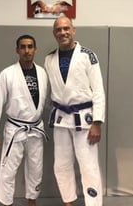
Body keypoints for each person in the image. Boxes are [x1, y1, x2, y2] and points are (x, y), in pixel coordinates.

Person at [45, 17, 105, 206]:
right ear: (54, 33)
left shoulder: (88, 56)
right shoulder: (49, 58)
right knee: (61, 164)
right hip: (61, 119)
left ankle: (93, 204)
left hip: (84, 119)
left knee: (88, 166)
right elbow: (52, 91)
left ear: (73, 30)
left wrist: (97, 122)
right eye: (58, 29)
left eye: (66, 28)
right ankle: (68, 202)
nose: (63, 32)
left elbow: (98, 90)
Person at [0, 35, 49, 206]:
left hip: (36, 128)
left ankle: (32, 201)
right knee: (8, 169)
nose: (27, 51)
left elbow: (44, 101)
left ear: (35, 49)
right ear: (17, 50)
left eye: (30, 46)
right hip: (15, 128)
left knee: (36, 168)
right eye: (23, 47)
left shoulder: (42, 73)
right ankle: (7, 203)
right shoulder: (7, 74)